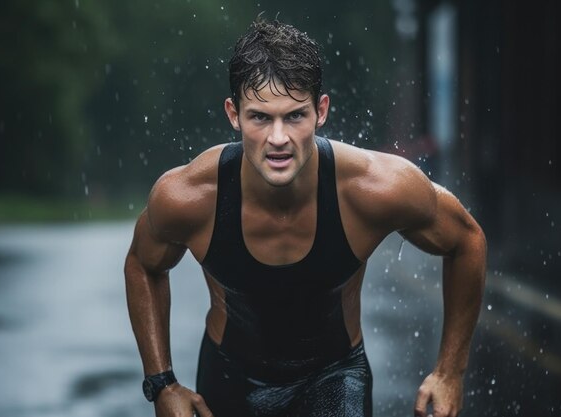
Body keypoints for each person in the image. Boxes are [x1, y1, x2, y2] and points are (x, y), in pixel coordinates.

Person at [124, 18, 486, 417]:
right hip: (230, 379)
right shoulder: (191, 195)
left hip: (335, 377)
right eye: (260, 117)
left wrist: (450, 372)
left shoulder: (373, 187)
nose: (278, 138)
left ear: (321, 111)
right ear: (234, 114)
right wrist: (162, 384)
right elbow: (143, 263)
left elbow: (466, 240)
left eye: (294, 116)